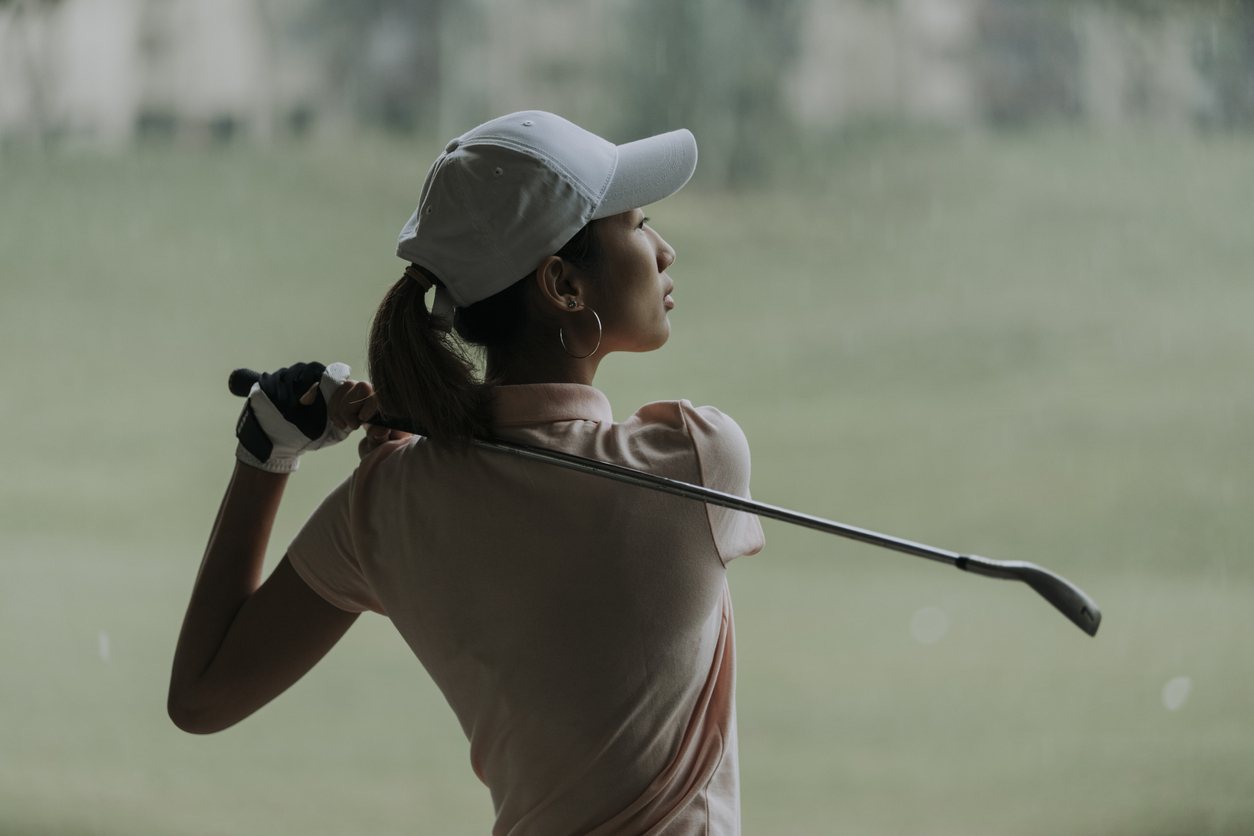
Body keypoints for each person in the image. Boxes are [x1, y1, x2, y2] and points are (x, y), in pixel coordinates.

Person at [168, 111, 765, 836]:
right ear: (563, 285)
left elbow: (201, 696)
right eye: (638, 225)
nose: (664, 251)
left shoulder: (385, 502)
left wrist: (268, 453)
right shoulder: (698, 458)